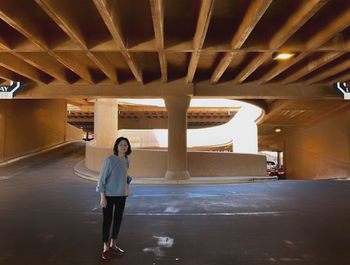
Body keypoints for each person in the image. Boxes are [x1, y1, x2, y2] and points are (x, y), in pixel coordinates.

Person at [96, 137, 132, 260]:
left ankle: (113, 244)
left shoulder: (126, 160)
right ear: (116, 146)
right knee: (107, 220)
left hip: (121, 195)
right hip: (109, 195)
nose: (123, 147)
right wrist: (102, 197)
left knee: (118, 220)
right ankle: (105, 247)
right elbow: (102, 179)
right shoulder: (110, 160)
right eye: (121, 145)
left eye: (125, 145)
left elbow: (126, 176)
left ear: (128, 147)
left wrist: (127, 188)